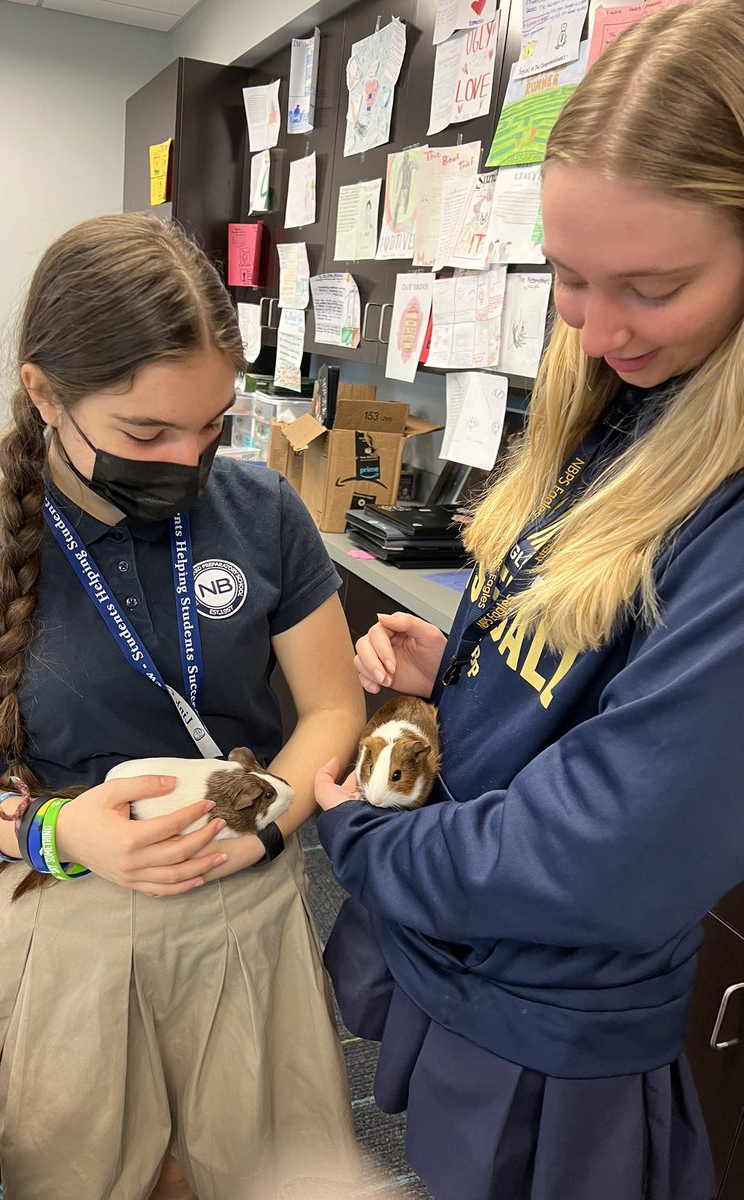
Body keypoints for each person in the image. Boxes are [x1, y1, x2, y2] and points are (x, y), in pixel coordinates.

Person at [314, 2, 744, 1198]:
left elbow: (600, 854)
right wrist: (478, 661)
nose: (599, 332)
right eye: (566, 276)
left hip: (560, 1014)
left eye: (652, 287)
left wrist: (361, 833)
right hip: (476, 966)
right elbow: (625, 650)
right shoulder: (631, 400)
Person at [0, 212, 367, 1200]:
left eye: (211, 426)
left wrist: (269, 825)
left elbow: (332, 709)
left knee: (263, 1169)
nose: (187, 461)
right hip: (68, 913)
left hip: (249, 911)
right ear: (44, 393)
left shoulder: (263, 515)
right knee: (78, 1171)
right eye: (147, 432)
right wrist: (57, 833)